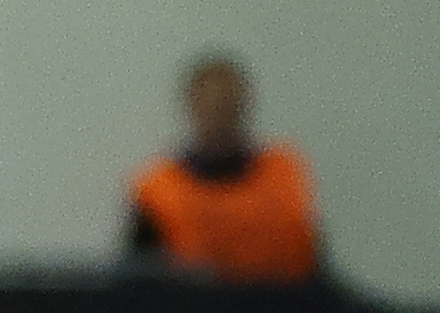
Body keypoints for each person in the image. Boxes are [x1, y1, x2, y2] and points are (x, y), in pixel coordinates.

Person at [126, 55, 324, 281]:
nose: (221, 118)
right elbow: (137, 284)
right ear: (192, 107)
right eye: (213, 107)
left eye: (229, 106)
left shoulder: (284, 176)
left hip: (282, 300)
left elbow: (313, 267)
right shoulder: (158, 192)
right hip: (192, 303)